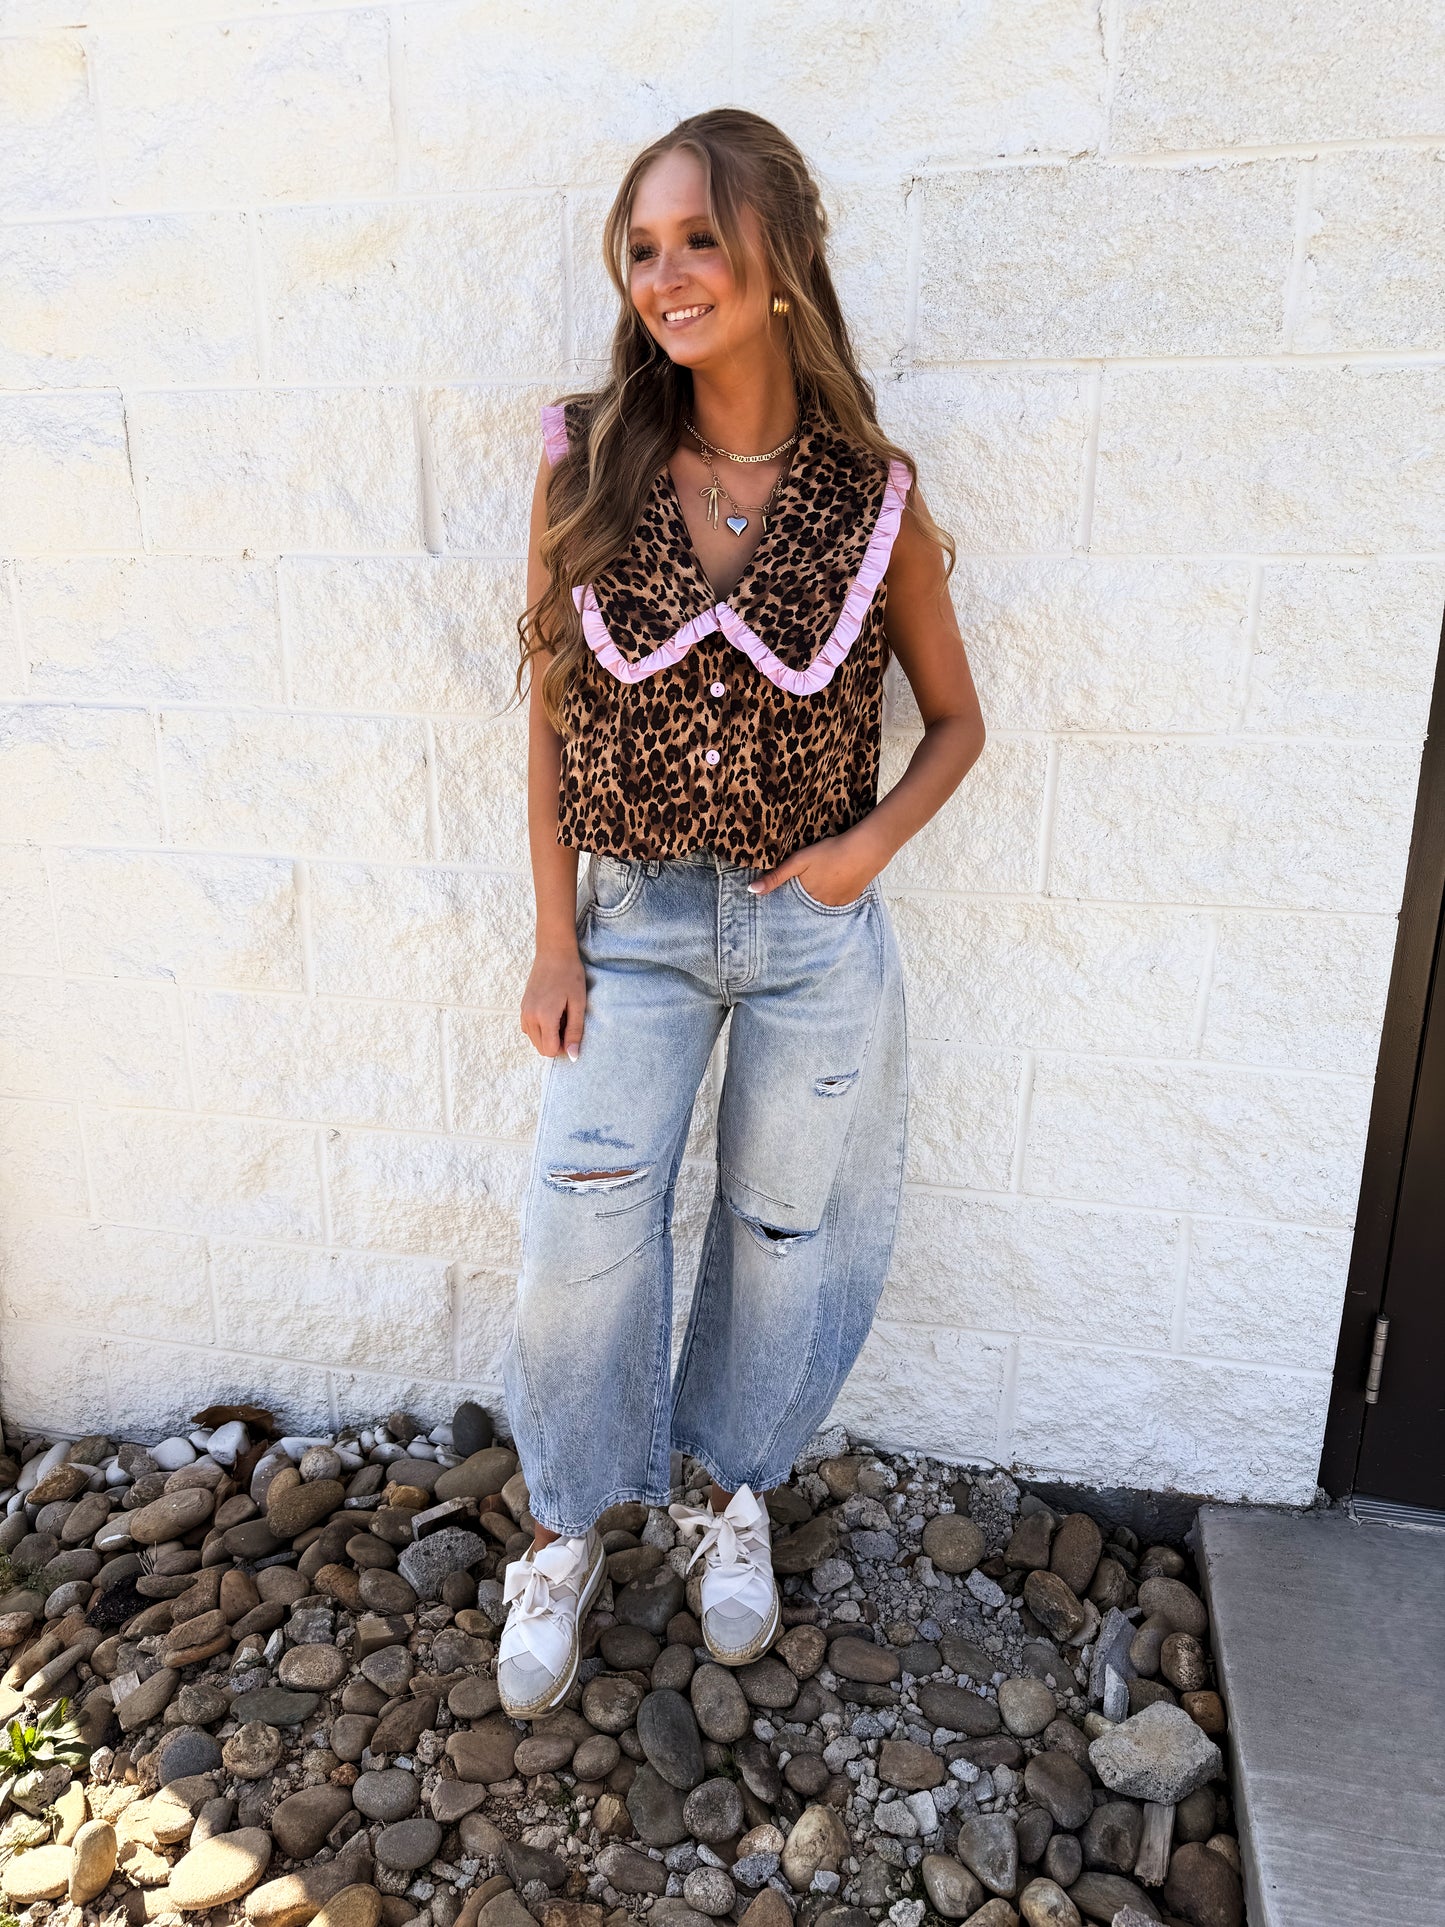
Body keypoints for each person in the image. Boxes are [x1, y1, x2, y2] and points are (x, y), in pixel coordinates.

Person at [496, 107, 985, 1718]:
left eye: (700, 238)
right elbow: (549, 715)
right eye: (642, 248)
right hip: (629, 923)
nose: (666, 274)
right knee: (582, 1223)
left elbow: (956, 723)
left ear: (782, 261)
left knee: (782, 1234)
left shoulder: (869, 498)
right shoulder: (588, 459)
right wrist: (555, 936)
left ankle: (727, 1495)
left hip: (805, 940)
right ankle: (563, 1525)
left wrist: (863, 853)